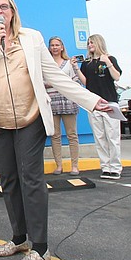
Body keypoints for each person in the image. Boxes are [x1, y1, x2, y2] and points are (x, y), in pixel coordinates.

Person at [0, 0, 109, 260]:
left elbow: (54, 76)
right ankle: (19, 238)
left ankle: (40, 247)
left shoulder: (32, 38)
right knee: (8, 179)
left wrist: (91, 100)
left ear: (13, 11)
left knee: (31, 178)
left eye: (4, 7)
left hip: (30, 120)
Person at [78, 33, 123, 179]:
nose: (90, 45)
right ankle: (105, 166)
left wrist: (107, 62)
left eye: (92, 42)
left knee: (112, 137)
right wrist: (76, 68)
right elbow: (86, 83)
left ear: (99, 43)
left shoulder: (110, 58)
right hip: (94, 104)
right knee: (100, 137)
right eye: (88, 43)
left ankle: (115, 167)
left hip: (109, 101)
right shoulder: (87, 63)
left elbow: (116, 77)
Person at [46, 36, 83, 176]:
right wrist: (53, 83)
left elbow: (76, 82)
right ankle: (59, 165)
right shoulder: (46, 64)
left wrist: (61, 82)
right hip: (52, 102)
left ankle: (74, 166)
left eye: (57, 45)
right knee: (55, 135)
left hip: (68, 101)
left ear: (62, 47)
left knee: (72, 134)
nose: (55, 47)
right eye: (52, 45)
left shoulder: (69, 63)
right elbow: (41, 82)